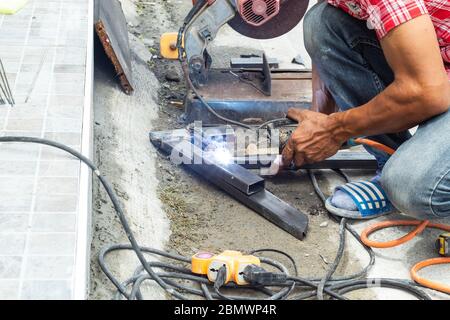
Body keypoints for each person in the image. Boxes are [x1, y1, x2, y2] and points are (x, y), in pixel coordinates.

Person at [282, 0, 450, 220]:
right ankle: (389, 161)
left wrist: (334, 130)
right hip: (437, 63)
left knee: (411, 188)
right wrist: (320, 117)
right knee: (322, 21)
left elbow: (427, 92)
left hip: (432, 86)